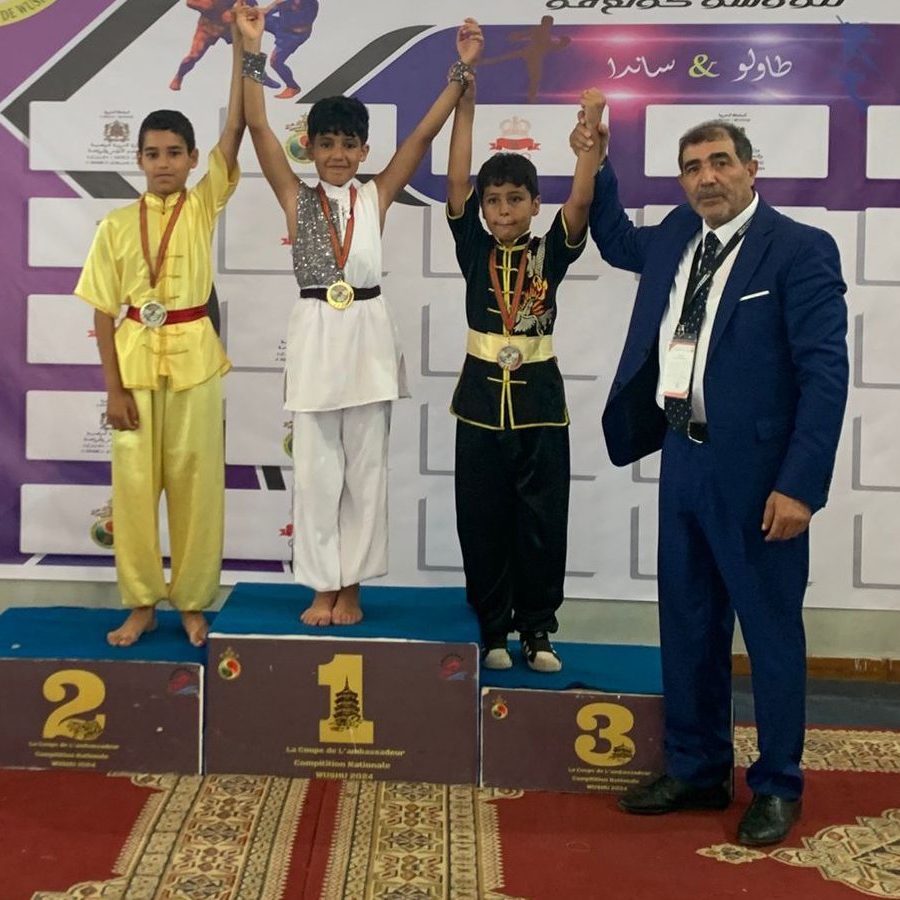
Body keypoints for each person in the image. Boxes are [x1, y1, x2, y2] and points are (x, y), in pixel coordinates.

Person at [573, 96, 848, 845]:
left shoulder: (799, 249)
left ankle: (779, 783)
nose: (707, 178)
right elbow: (612, 237)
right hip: (683, 457)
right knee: (689, 623)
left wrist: (800, 484)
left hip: (761, 477)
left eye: (720, 162)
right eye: (692, 167)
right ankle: (697, 770)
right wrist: (597, 158)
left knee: (769, 631)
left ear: (753, 169)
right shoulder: (674, 235)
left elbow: (825, 376)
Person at [235, 4, 484, 626]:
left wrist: (460, 72)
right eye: (327, 144)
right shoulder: (295, 197)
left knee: (366, 471)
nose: (339, 154)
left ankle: (352, 586)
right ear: (311, 148)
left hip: (368, 337)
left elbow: (421, 138)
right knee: (318, 473)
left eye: (349, 144)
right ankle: (322, 583)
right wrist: (251, 52)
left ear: (364, 149)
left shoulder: (376, 196)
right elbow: (259, 129)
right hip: (317, 335)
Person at [75, 20, 245, 648]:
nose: (165, 162)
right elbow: (102, 312)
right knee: (134, 490)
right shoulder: (116, 226)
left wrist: (244, 51)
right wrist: (113, 389)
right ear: (139, 159)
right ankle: (142, 602)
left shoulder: (202, 206)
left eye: (176, 152)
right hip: (135, 369)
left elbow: (235, 130)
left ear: (193, 159)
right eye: (153, 153)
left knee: (198, 487)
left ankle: (193, 602)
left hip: (196, 359)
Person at [446, 86, 604, 672]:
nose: (503, 210)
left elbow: (581, 203)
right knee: (481, 522)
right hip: (478, 409)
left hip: (540, 408)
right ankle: (493, 629)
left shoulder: (548, 253)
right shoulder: (472, 248)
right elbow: (456, 180)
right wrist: (466, 106)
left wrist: (588, 145)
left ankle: (537, 630)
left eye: (515, 199)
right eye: (493, 201)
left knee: (541, 523)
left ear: (536, 204)